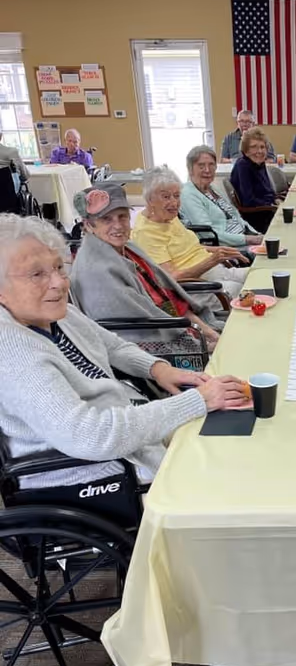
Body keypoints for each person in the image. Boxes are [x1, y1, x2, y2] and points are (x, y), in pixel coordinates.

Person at [0, 214, 248, 489]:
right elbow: (90, 436)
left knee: (234, 430)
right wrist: (196, 402)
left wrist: (159, 369)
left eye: (59, 267)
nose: (59, 283)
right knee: (229, 476)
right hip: (95, 475)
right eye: (37, 274)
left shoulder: (57, 313)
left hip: (126, 435)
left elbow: (112, 345)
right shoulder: (12, 349)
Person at [70, 182, 222, 358]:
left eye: (122, 216)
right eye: (106, 219)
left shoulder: (129, 248)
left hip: (174, 325)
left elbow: (167, 297)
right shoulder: (97, 270)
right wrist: (200, 340)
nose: (118, 225)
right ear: (88, 225)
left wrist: (207, 331)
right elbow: (133, 331)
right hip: (147, 348)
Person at [131, 166, 249, 299]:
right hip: (195, 288)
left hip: (212, 272)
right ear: (150, 199)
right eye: (166, 196)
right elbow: (171, 279)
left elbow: (187, 248)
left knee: (255, 274)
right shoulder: (146, 233)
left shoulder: (166, 215)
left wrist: (219, 250)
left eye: (176, 196)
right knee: (247, 292)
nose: (174, 203)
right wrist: (212, 260)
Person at [181, 145, 263, 249]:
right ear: (190, 169)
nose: (207, 170)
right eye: (201, 166)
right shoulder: (188, 195)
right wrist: (249, 239)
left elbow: (236, 217)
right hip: (228, 248)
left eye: (211, 165)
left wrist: (257, 235)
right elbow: (208, 234)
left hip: (245, 238)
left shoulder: (213, 188)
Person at [229, 127, 278, 208]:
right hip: (257, 214)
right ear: (246, 150)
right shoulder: (243, 165)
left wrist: (276, 200)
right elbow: (248, 201)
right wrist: (271, 205)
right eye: (254, 147)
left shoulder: (260, 163)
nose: (259, 151)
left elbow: (269, 191)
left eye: (262, 147)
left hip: (268, 207)